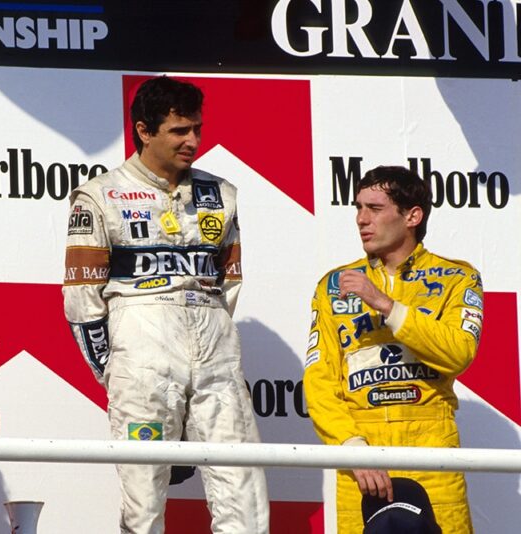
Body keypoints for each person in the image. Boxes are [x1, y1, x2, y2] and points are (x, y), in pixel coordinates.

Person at [62, 76, 269, 534]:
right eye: (179, 131)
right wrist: (113, 370)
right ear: (144, 130)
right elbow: (81, 298)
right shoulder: (100, 195)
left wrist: (207, 329)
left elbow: (228, 283)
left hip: (215, 348)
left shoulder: (223, 194)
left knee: (244, 491)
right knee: (144, 502)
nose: (192, 140)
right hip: (141, 351)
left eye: (196, 128)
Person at [303, 166, 482, 534]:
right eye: (358, 208)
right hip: (361, 460)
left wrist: (386, 305)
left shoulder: (457, 278)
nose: (360, 219)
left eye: (374, 208)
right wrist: (354, 449)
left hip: (432, 454)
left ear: (412, 216)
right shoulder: (334, 285)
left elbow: (459, 352)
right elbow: (319, 381)